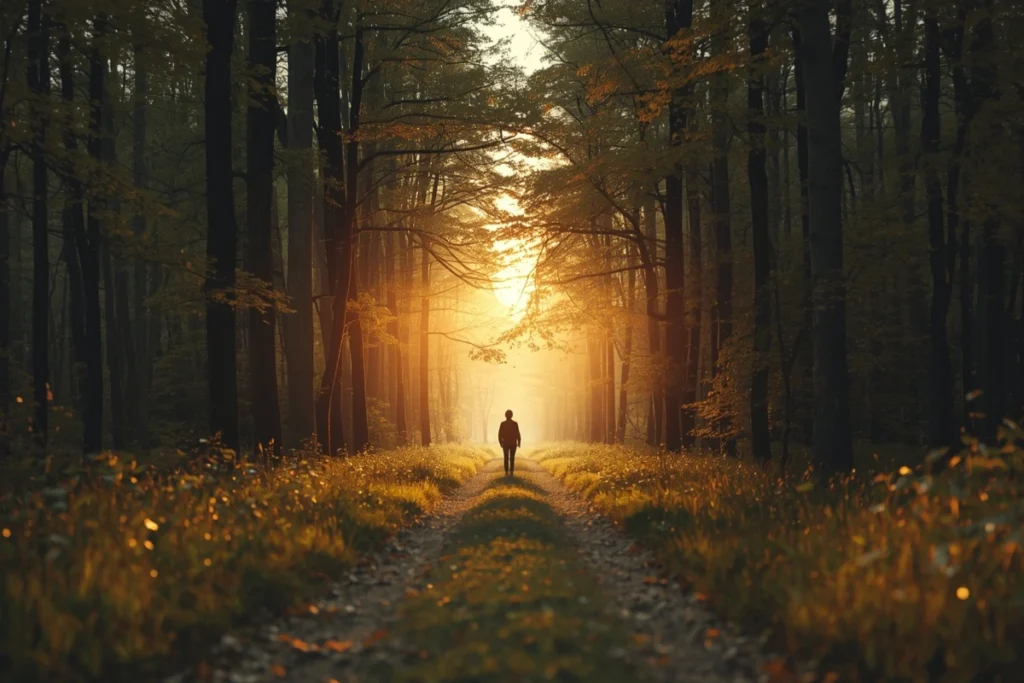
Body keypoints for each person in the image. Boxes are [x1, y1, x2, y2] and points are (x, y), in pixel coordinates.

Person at [497, 409, 521, 476]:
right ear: (512, 415)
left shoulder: (503, 424)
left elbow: (500, 434)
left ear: (505, 415)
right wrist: (518, 442)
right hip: (513, 443)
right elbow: (518, 433)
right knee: (512, 457)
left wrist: (500, 442)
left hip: (505, 443)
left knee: (506, 457)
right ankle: (511, 471)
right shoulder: (515, 424)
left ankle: (506, 471)